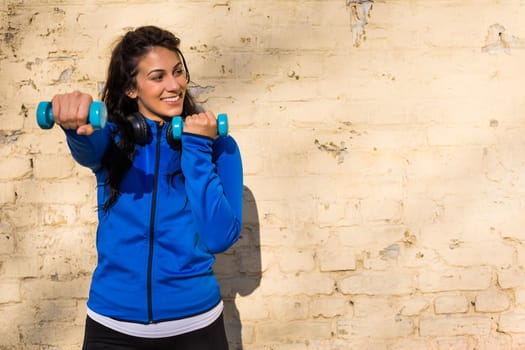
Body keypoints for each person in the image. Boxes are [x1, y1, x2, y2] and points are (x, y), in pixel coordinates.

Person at [50, 25, 243, 350]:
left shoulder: (219, 146)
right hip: (111, 328)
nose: (174, 85)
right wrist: (73, 122)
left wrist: (197, 149)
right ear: (130, 88)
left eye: (178, 73)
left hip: (196, 326)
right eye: (158, 77)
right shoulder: (110, 139)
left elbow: (219, 237)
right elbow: (87, 145)